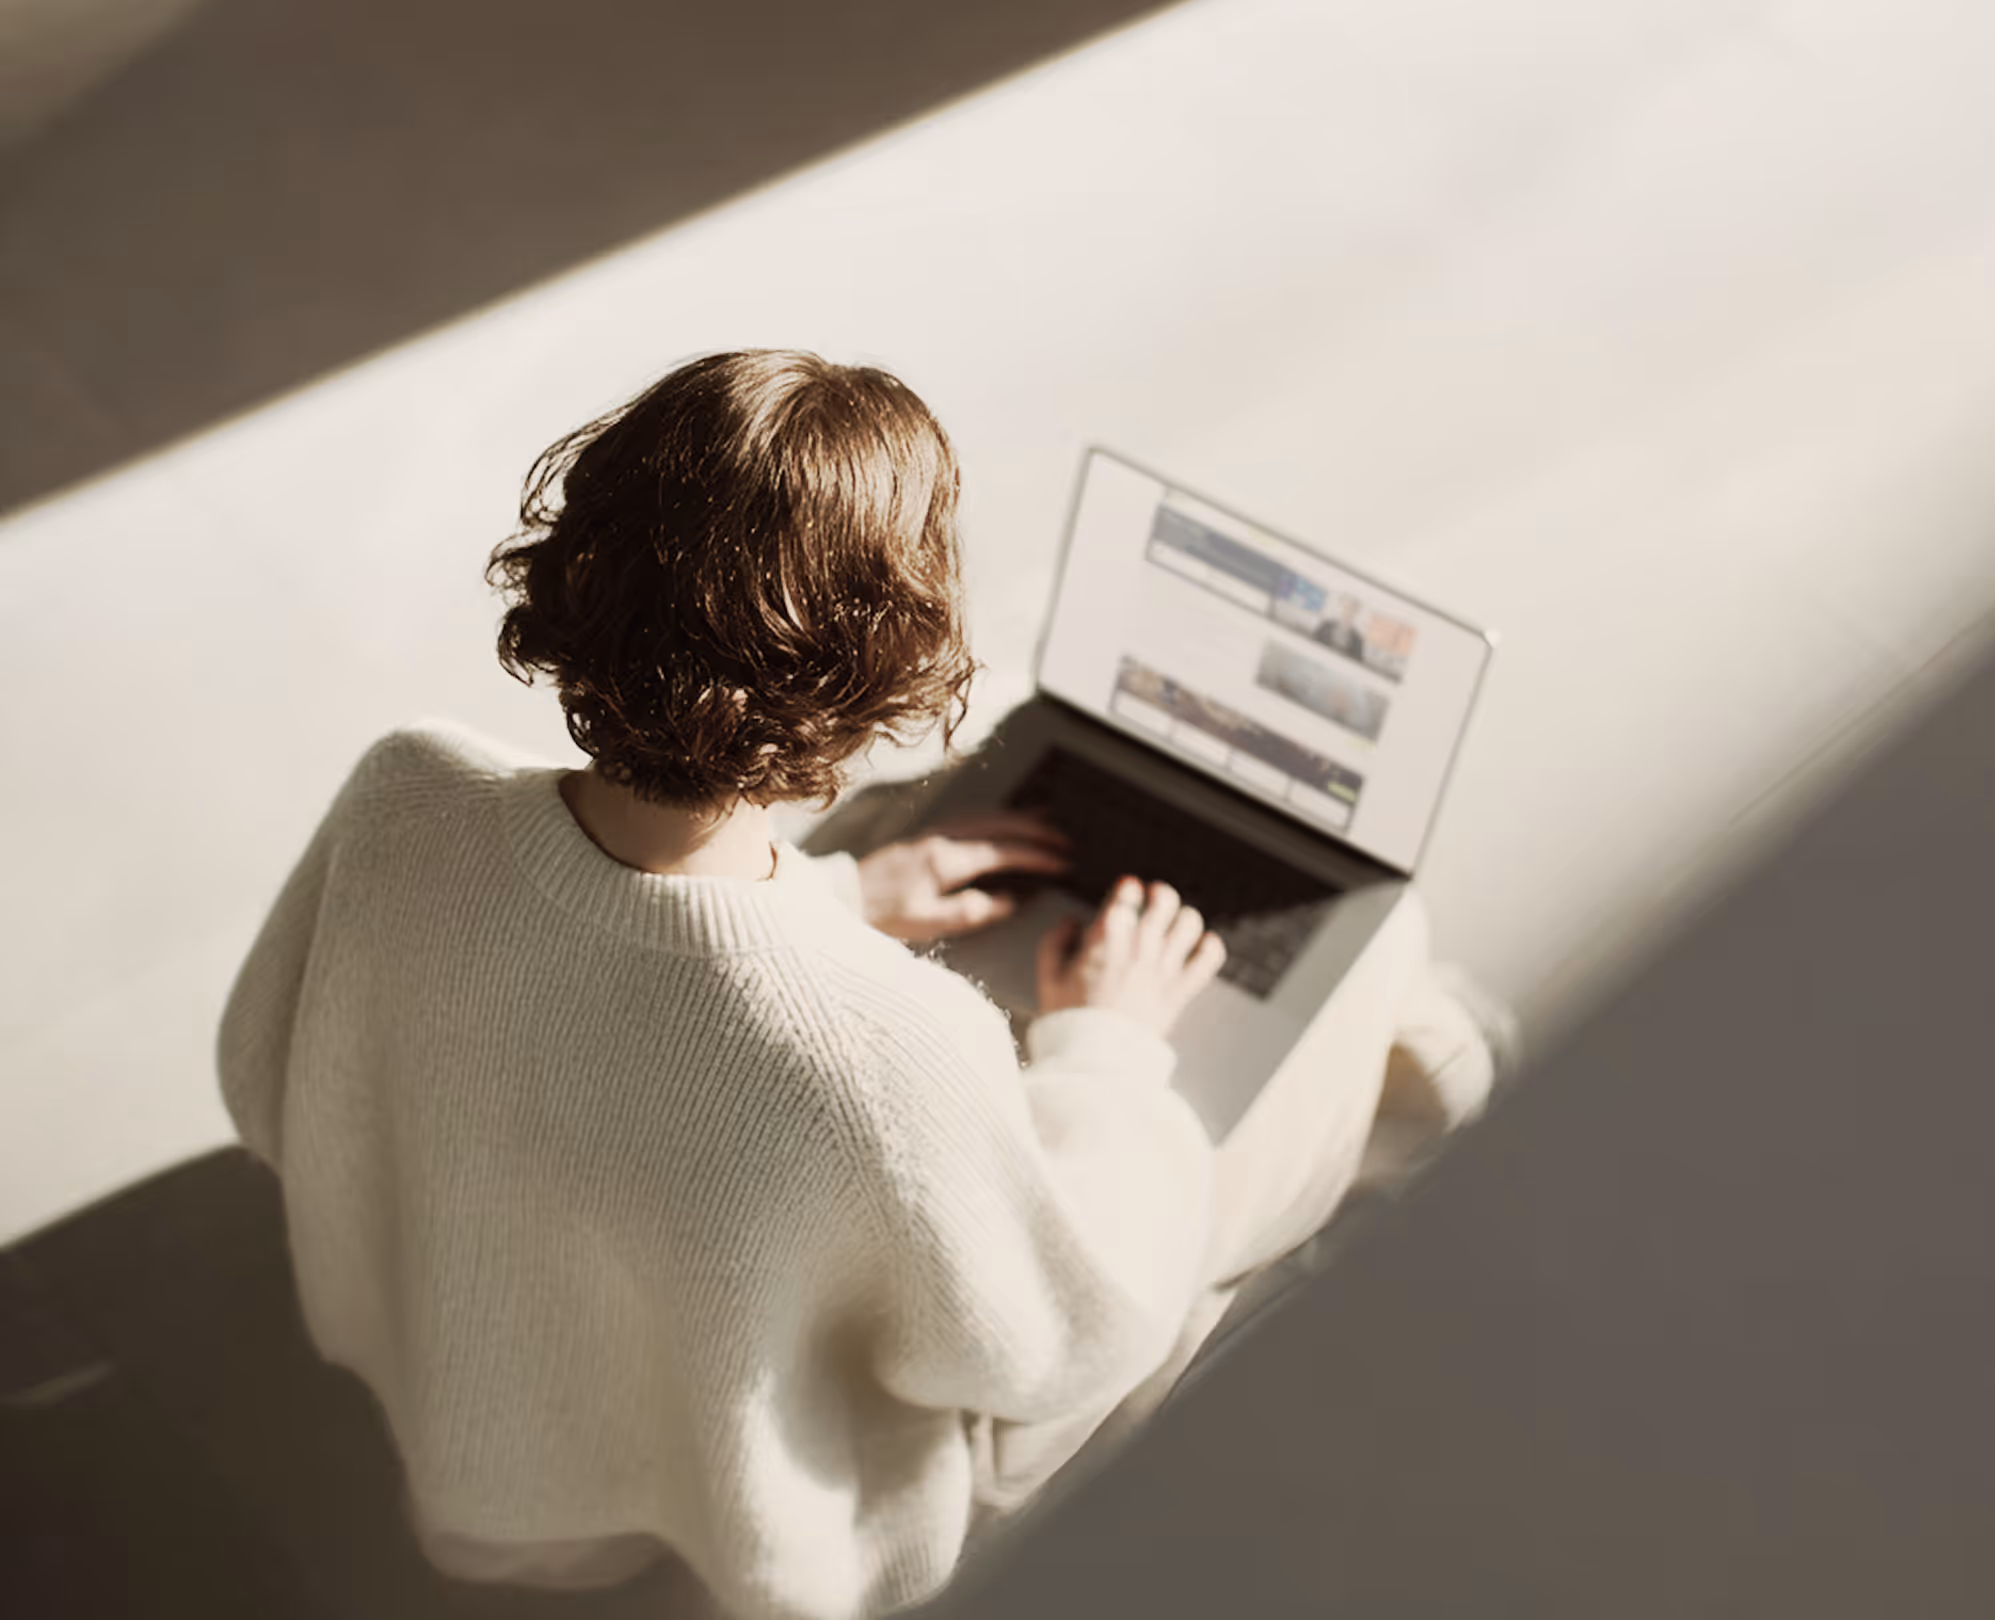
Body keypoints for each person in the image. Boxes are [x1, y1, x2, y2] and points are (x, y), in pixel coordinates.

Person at [216, 349, 1509, 1620]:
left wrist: (836, 896)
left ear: (579, 558)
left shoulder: (402, 792)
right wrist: (1108, 1046)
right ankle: (1425, 1073)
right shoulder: (888, 1042)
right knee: (1373, 978)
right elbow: (1067, 1335)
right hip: (777, 1530)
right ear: (872, 679)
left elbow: (265, 1076)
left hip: (485, 1453)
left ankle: (1419, 1067)